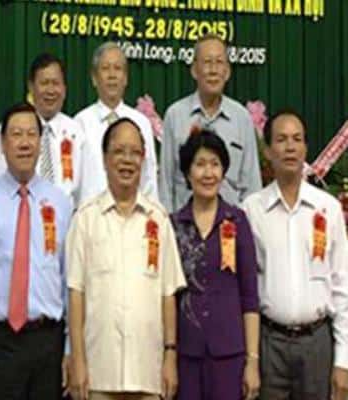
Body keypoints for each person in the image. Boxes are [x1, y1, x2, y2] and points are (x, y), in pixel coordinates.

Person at [67, 118, 186, 400]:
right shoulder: (85, 219)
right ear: (105, 158)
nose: (127, 160)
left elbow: (168, 294)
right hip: (99, 371)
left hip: (148, 371)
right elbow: (76, 294)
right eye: (119, 151)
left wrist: (170, 356)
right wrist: (78, 360)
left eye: (135, 152)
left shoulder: (159, 219)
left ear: (144, 159)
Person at [242, 110, 348, 400]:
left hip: (317, 343)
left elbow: (343, 287)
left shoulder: (328, 208)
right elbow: (245, 289)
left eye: (297, 139)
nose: (290, 147)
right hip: (268, 344)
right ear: (267, 151)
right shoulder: (251, 210)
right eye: (281, 139)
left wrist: (343, 361)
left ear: (305, 148)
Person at [0, 102, 73, 400]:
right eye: (16, 134)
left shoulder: (61, 203)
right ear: (3, 144)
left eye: (31, 134)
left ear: (41, 143)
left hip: (48, 342)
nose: (25, 143)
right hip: (2, 343)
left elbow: (68, 279)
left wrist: (69, 349)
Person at [169, 129, 260, 400]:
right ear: (187, 173)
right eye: (200, 164)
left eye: (215, 164)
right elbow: (167, 296)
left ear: (223, 171)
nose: (208, 173)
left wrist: (252, 360)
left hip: (229, 355)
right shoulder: (173, 226)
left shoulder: (237, 221)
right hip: (186, 354)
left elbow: (249, 296)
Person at [159, 34, 261, 213]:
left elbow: (252, 185)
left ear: (227, 72)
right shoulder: (175, 115)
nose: (213, 70)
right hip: (185, 224)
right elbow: (166, 184)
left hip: (230, 224)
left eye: (219, 62)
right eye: (207, 62)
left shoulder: (241, 118)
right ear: (194, 70)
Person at [0, 53, 88, 208]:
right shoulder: (12, 125)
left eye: (56, 83)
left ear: (64, 89)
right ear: (31, 87)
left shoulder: (76, 131)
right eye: (44, 83)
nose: (50, 90)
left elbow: (83, 192)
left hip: (66, 218)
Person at [74, 42, 157, 203]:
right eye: (105, 68)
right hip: (91, 214)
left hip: (133, 213)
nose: (112, 75)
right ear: (94, 78)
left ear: (125, 78)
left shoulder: (141, 123)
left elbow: (149, 179)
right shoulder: (80, 123)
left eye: (117, 68)